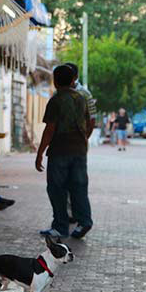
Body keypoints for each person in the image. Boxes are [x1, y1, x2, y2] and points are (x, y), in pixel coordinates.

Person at [36, 64, 93, 239]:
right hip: (79, 150)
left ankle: (60, 226)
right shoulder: (81, 98)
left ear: (55, 81)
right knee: (79, 187)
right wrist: (84, 139)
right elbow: (90, 122)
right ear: (73, 80)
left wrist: (39, 153)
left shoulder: (56, 100)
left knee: (57, 189)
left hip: (60, 150)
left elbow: (50, 129)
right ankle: (84, 222)